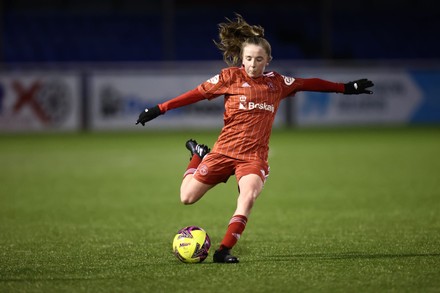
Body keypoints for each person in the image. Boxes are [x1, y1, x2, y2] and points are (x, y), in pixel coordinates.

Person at [136, 14, 374, 263]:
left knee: (247, 196)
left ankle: (223, 251)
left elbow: (308, 83)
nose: (252, 64)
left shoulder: (278, 83)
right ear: (241, 58)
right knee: (187, 197)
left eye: (259, 59)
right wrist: (159, 108)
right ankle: (198, 155)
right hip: (223, 151)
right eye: (248, 59)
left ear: (268, 60)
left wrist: (345, 87)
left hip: (253, 157)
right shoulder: (229, 77)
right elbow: (194, 94)